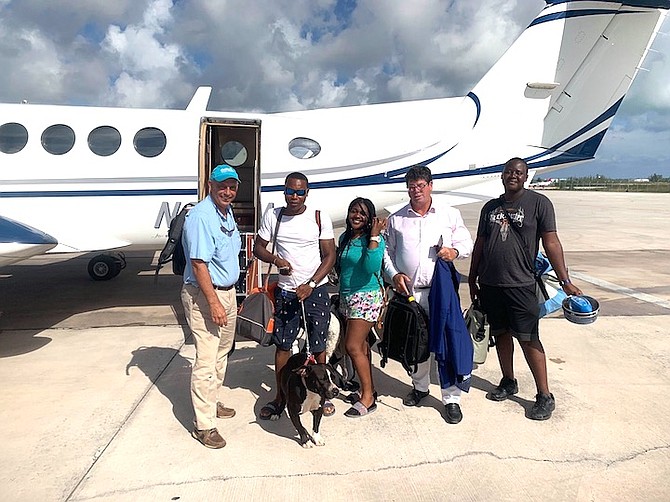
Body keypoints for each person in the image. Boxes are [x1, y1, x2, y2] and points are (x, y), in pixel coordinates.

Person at [468, 157, 583, 421]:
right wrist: (473, 277)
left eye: (518, 172)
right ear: (502, 176)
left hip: (521, 284)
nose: (513, 175)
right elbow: (480, 245)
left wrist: (566, 281)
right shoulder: (490, 207)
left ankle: (544, 395)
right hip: (490, 283)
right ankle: (508, 380)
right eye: (509, 171)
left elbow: (552, 242)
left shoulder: (539, 203)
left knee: (528, 338)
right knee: (501, 334)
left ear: (526, 176)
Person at [383, 165, 474, 424]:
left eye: (421, 186)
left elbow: (466, 243)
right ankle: (420, 387)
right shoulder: (397, 218)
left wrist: (454, 253)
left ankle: (451, 399)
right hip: (410, 295)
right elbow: (387, 253)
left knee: (447, 344)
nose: (416, 191)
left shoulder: (448, 214)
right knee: (416, 344)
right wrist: (394, 275)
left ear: (430, 185)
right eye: (411, 187)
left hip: (440, 293)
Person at [253, 172, 337, 420]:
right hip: (286, 291)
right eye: (290, 191)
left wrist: (311, 283)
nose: (294, 196)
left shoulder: (319, 217)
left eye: (300, 192)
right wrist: (276, 259)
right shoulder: (273, 215)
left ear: (307, 193)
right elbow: (258, 247)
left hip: (315, 291)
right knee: (283, 345)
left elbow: (330, 256)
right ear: (284, 191)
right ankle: (282, 396)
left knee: (318, 346)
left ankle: (320, 396)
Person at [180, 164, 242, 449]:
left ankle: (212, 401)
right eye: (222, 186)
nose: (227, 192)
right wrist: (214, 302)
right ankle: (203, 425)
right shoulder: (202, 216)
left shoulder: (226, 213)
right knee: (206, 359)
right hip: (206, 296)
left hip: (226, 294)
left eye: (232, 186)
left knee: (221, 353)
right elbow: (198, 263)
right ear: (210, 186)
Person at [336, 197, 387, 417]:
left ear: (370, 218)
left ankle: (368, 398)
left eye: (363, 213)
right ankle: (369, 389)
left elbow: (371, 266)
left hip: (366, 295)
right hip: (347, 297)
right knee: (363, 347)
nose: (357, 216)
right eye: (353, 211)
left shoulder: (374, 239)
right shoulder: (345, 237)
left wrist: (374, 236)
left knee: (353, 347)